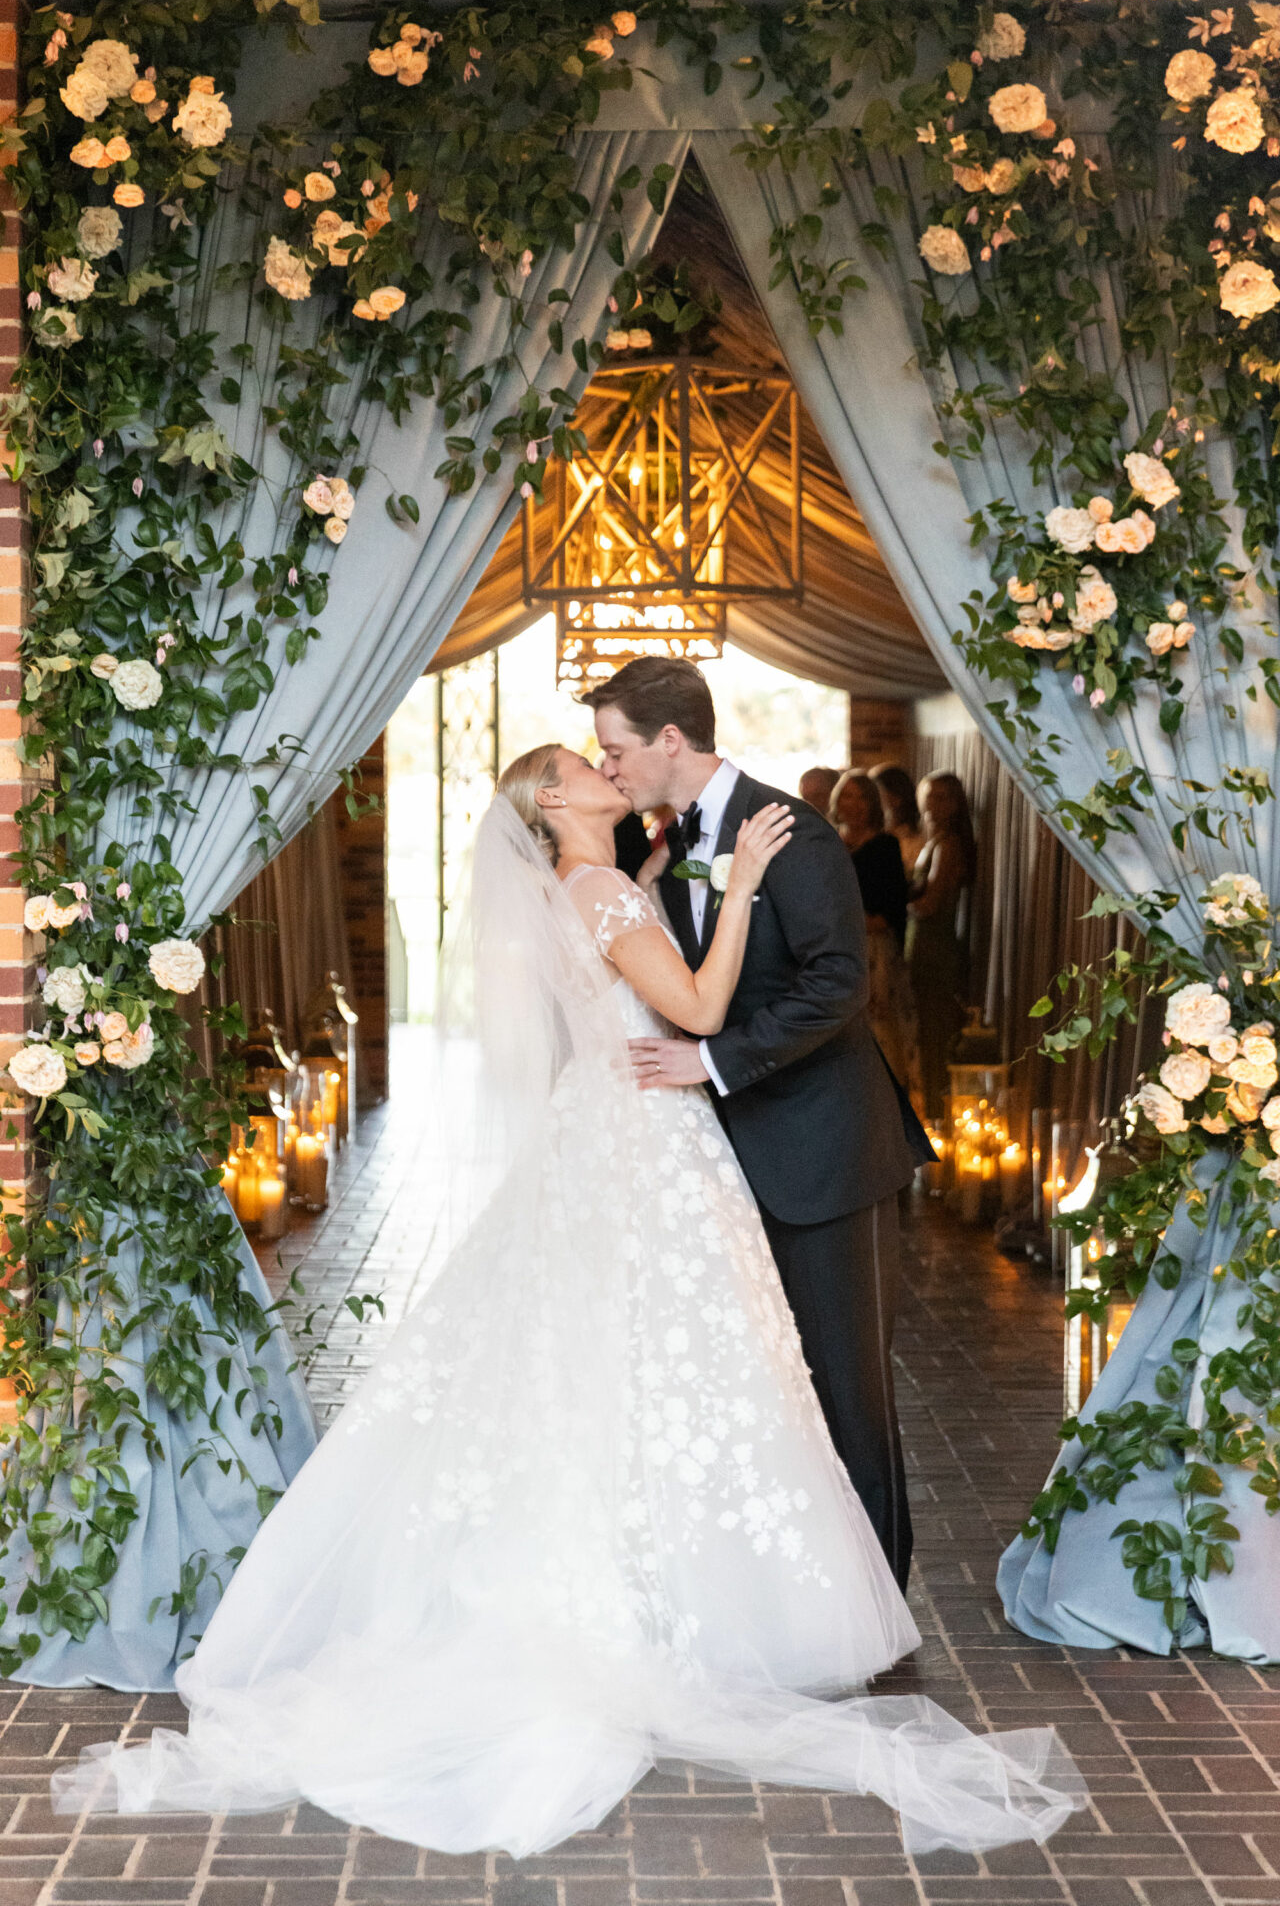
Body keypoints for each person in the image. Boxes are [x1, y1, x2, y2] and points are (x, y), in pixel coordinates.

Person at [50, 743, 1084, 1862]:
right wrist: (736, 890)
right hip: (647, 1142)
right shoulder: (592, 890)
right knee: (675, 1358)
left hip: (611, 1137)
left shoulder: (589, 885)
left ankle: (643, 1572)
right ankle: (675, 1596)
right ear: (550, 803)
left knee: (619, 1359)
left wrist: (671, 868)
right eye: (577, 763)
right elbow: (694, 1002)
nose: (600, 764)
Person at [585, 658, 931, 1592]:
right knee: (775, 1388)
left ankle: (880, 1599)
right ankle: (804, 1592)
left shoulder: (793, 834)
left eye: (614, 747)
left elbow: (837, 985)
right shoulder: (658, 844)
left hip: (827, 1155)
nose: (604, 765)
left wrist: (710, 1062)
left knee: (848, 1388)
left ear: (668, 740)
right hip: (732, 1161)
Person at [829, 769, 919, 1096]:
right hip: (837, 945)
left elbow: (894, 907)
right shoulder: (827, 842)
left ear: (870, 804)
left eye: (859, 796)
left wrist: (851, 922)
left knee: (881, 1024)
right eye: (846, 795)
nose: (851, 803)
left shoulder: (884, 845)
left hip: (873, 947)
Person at [906, 771, 977, 1119]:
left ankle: (937, 1118)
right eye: (929, 796)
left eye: (944, 797)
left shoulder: (948, 844)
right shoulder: (932, 841)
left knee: (934, 1037)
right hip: (922, 948)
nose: (935, 805)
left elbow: (930, 903)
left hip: (937, 951)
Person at [870, 763, 925, 878]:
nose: (870, 801)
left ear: (896, 798)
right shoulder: (872, 834)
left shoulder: (912, 842)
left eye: (875, 794)